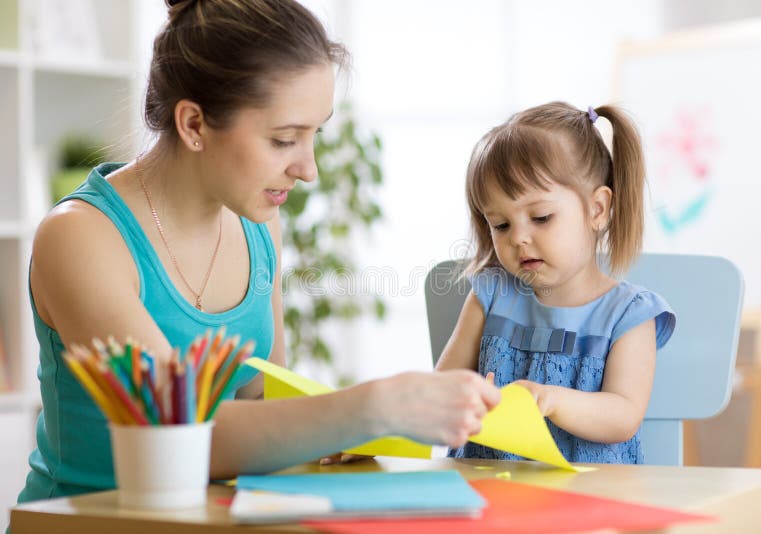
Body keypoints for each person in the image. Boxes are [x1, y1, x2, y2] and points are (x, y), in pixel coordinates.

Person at [16, 0, 500, 504]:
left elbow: (262, 402)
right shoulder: (80, 237)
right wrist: (373, 408)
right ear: (194, 125)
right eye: (284, 139)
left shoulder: (258, 227)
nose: (308, 169)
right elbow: (178, 435)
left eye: (315, 134)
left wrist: (346, 435)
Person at [436, 102, 676, 464]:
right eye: (500, 224)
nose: (518, 238)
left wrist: (551, 400)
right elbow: (438, 391)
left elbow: (623, 416)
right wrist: (464, 398)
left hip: (593, 502)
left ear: (597, 209)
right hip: (489, 496)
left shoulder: (628, 315)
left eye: (541, 217)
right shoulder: (491, 296)